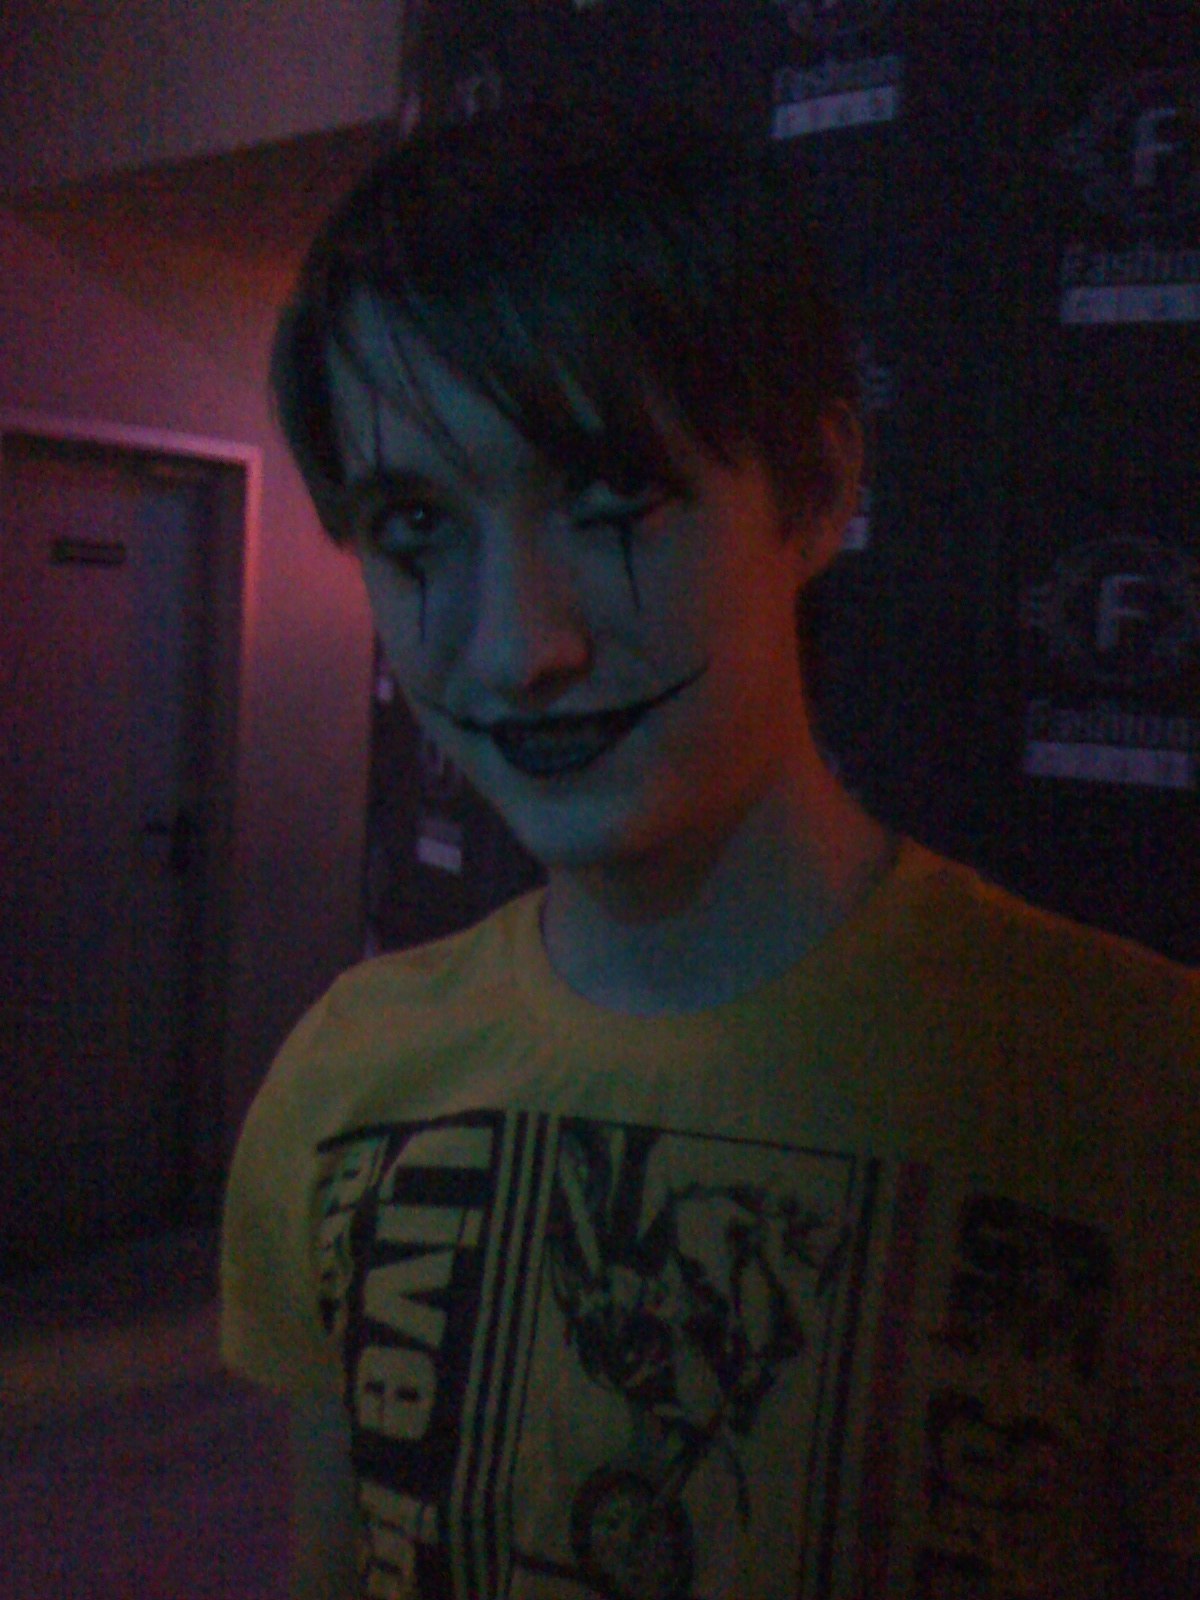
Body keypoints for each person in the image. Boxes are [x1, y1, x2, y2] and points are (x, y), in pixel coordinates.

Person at [220, 84, 1200, 1600]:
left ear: (816, 490)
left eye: (611, 498)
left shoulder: (1136, 1088)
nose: (516, 648)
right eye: (415, 529)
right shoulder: (345, 1077)